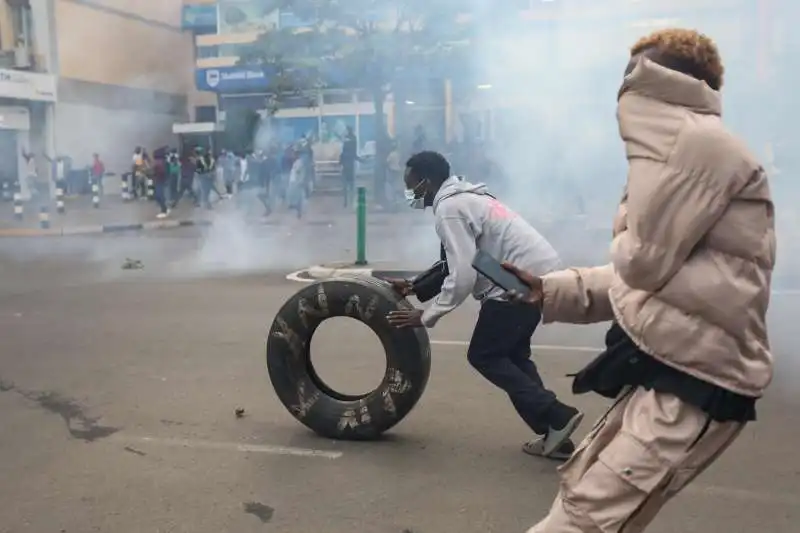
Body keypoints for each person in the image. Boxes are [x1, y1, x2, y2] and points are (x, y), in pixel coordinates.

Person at [503, 29, 775, 532]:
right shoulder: (685, 152)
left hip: (694, 381)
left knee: (584, 520)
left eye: (635, 75)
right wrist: (552, 289)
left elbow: (643, 265)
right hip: (667, 366)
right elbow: (660, 282)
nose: (623, 90)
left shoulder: (699, 150)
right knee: (588, 504)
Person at [386, 151, 584, 459]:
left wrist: (428, 315)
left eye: (411, 184)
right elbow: (461, 260)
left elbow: (463, 273)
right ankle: (554, 433)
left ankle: (556, 414)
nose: (409, 191)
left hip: (517, 281)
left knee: (485, 355)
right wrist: (414, 286)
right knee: (513, 357)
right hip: (532, 276)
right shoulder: (468, 198)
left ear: (427, 181)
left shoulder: (450, 208)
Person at [151, 147, 170, 219]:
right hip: (158, 180)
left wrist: (154, 173)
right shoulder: (161, 162)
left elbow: (162, 172)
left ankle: (164, 211)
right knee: (157, 195)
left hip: (160, 181)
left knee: (159, 195)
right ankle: (165, 209)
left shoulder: (161, 162)